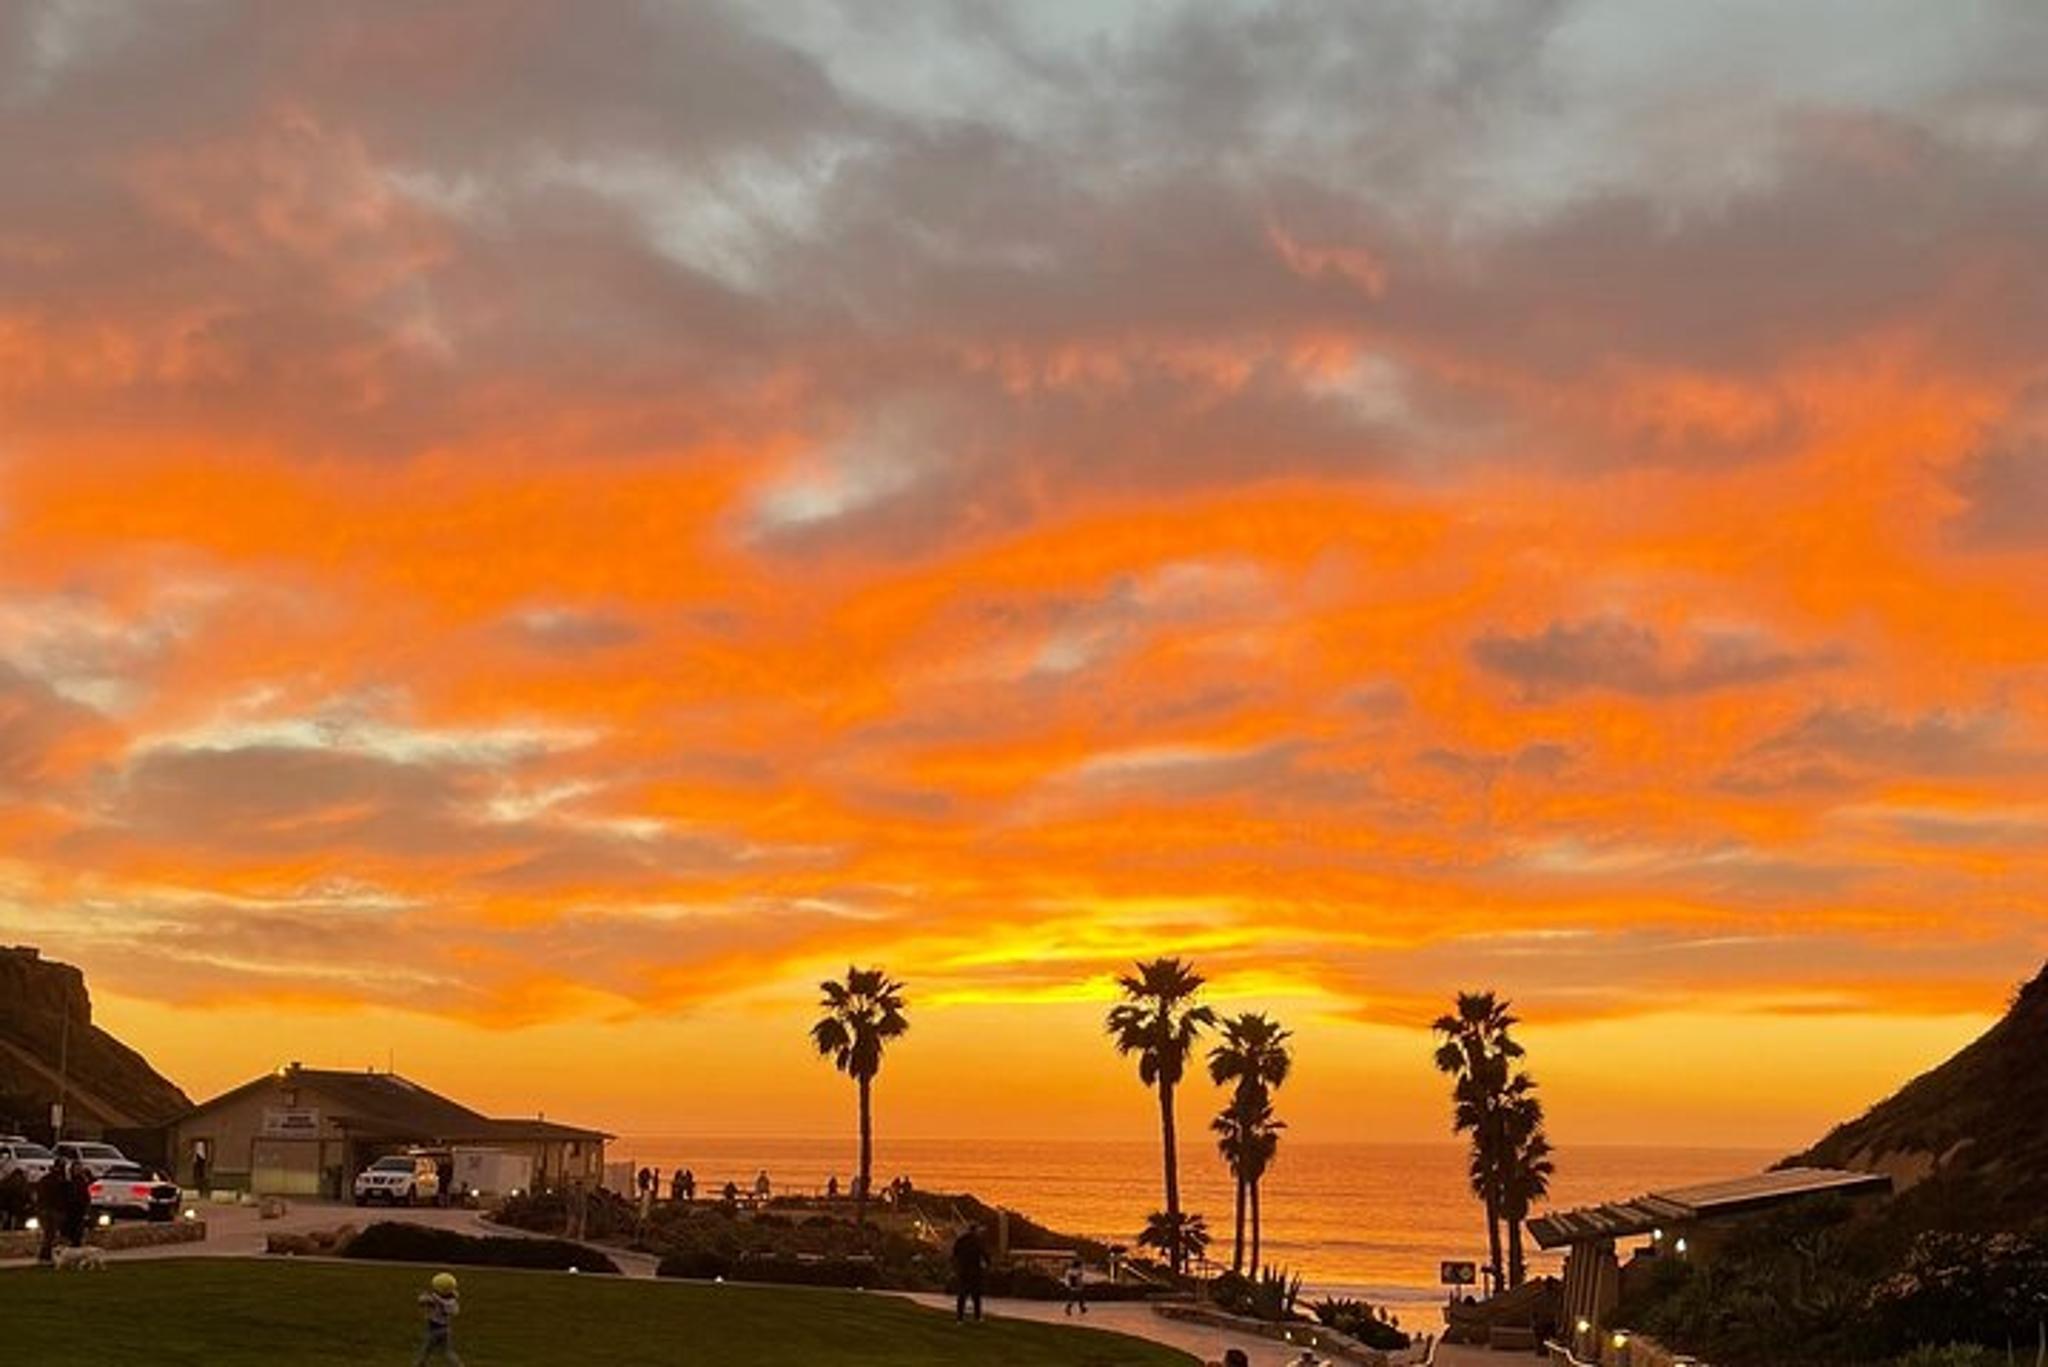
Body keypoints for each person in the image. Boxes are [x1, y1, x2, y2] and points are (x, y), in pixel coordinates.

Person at [414, 1270, 464, 1365]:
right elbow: (455, 1311)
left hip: (434, 1329)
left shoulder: (435, 1299)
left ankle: (420, 1364)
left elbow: (421, 1300)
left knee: (426, 1351)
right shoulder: (451, 1301)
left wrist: (426, 1296)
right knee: (447, 1351)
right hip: (445, 1329)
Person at [951, 1225, 989, 1323]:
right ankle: (977, 1316)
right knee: (976, 1295)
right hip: (974, 1270)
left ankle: (959, 1318)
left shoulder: (961, 1240)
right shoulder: (978, 1241)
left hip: (963, 1270)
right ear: (975, 1231)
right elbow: (984, 1253)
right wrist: (987, 1263)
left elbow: (955, 1253)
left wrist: (957, 1265)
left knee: (962, 1294)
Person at [34, 1162, 67, 1263]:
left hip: (49, 1209)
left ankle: (46, 1255)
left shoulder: (50, 1180)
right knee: (50, 1234)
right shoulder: (55, 1180)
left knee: (49, 1234)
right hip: (50, 1209)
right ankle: (45, 1255)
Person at [64, 1159, 93, 1247]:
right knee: (72, 1226)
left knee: (79, 1226)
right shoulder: (69, 1181)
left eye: (79, 1168)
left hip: (80, 1206)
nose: (78, 1170)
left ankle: (76, 1242)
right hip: (71, 1207)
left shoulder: (82, 1180)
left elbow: (86, 1193)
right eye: (76, 1169)